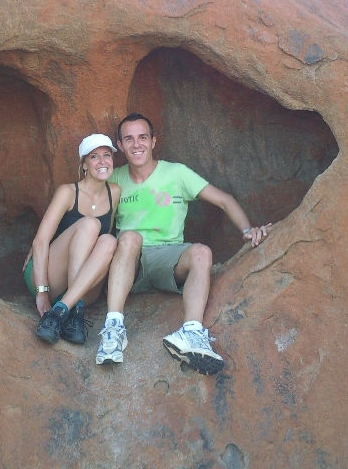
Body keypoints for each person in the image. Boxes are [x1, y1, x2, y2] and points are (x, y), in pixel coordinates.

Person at [95, 113, 271, 375]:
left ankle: (191, 333)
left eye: (143, 137)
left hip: (169, 257)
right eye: (128, 139)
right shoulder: (115, 179)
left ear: (153, 141)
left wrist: (248, 229)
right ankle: (113, 327)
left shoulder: (176, 173)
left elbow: (223, 199)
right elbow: (84, 208)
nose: (136, 145)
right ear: (119, 146)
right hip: (129, 261)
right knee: (129, 237)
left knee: (201, 252)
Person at [23, 134, 121, 346]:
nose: (102, 161)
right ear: (84, 164)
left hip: (82, 290)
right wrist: (42, 293)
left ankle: (63, 312)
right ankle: (71, 309)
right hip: (50, 279)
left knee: (109, 241)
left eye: (107, 155)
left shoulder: (115, 192)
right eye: (94, 156)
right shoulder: (68, 192)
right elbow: (40, 242)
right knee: (91, 224)